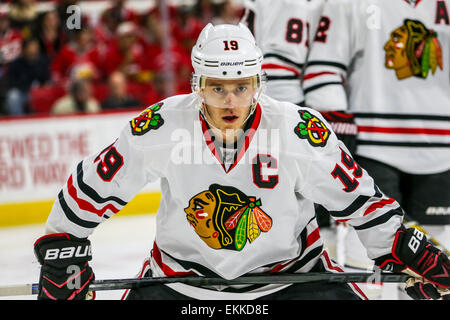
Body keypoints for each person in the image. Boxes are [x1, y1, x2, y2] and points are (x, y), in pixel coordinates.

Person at [33, 23, 449, 300]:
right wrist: (63, 249)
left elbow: (358, 199)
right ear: (197, 84)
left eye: (241, 87)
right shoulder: (161, 125)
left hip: (293, 280)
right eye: (217, 87)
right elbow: (95, 185)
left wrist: (400, 248)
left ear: (257, 83)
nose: (230, 101)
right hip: (183, 284)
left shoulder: (296, 129)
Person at [303, 0, 450, 274]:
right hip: (370, 148)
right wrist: (334, 124)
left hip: (442, 151)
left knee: (437, 263)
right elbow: (323, 68)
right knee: (369, 260)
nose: (387, 47)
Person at [5, 37, 50, 115]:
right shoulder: (16, 64)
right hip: (24, 93)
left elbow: (48, 80)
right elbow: (12, 84)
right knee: (13, 96)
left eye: (35, 49)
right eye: (30, 49)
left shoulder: (44, 62)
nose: (32, 51)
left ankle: (46, 120)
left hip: (40, 94)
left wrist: (42, 88)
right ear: (24, 50)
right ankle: (17, 122)